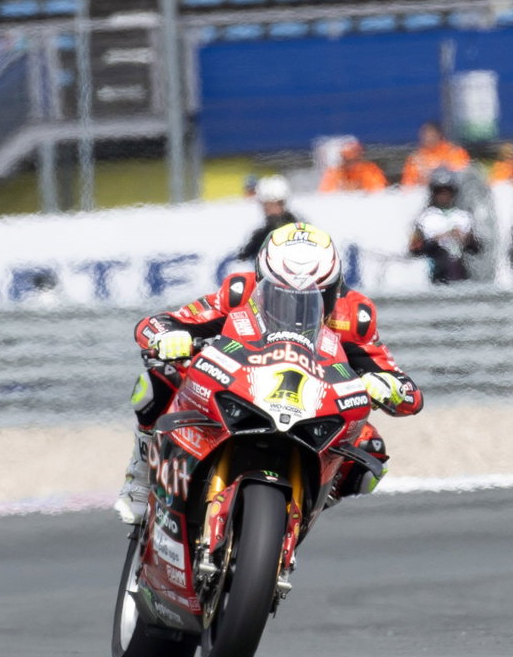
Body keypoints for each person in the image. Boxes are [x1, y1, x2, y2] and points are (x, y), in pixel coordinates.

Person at [114, 223, 423, 523]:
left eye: (319, 293)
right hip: (242, 385)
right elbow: (159, 322)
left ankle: (302, 508)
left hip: (313, 402)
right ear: (262, 281)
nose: (299, 305)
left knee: (371, 450)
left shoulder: (353, 315)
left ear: (336, 287)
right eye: (282, 293)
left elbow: (405, 388)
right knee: (159, 378)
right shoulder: (238, 293)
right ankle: (139, 478)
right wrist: (169, 336)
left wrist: (390, 387)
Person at [409, 169, 479, 283]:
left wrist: (465, 239)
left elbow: (476, 248)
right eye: (439, 192)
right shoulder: (425, 218)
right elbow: (414, 249)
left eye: (447, 192)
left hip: (460, 270)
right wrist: (434, 240)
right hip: (435, 271)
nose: (443, 196)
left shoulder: (463, 216)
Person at [236, 174, 296, 261]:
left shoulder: (298, 230)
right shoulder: (260, 235)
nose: (266, 208)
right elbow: (243, 258)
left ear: (281, 203)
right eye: (265, 204)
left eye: (271, 204)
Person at [401, 120, 470, 187]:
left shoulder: (454, 152)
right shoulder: (416, 158)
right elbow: (408, 184)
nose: (427, 138)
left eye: (431, 134)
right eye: (424, 134)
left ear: (439, 134)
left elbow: (461, 175)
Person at [320, 139, 387, 191]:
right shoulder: (334, 172)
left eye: (353, 160)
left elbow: (377, 193)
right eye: (346, 159)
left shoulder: (369, 171)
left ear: (359, 157)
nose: (350, 164)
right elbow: (326, 194)